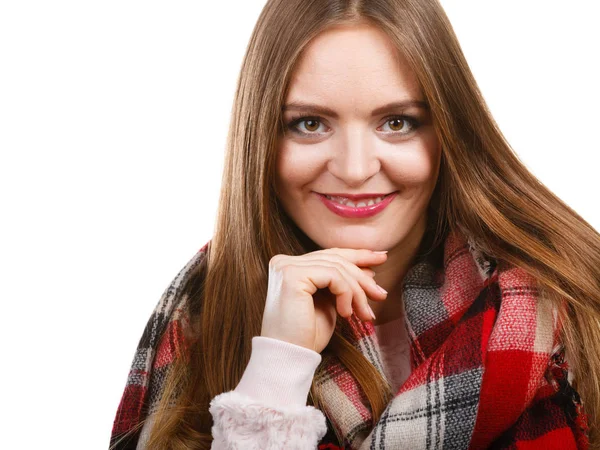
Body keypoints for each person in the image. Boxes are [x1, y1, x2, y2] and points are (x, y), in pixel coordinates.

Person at [110, 0, 600, 448]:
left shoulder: (574, 301)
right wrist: (276, 370)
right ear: (260, 137)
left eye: (397, 122)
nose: (354, 168)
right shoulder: (200, 317)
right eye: (309, 123)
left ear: (450, 130)